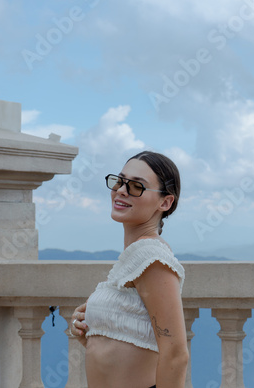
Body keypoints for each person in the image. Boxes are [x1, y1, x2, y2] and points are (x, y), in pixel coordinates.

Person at [70, 151, 189, 388]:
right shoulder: (135, 257)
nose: (121, 190)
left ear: (165, 202)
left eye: (137, 186)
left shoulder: (152, 258)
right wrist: (91, 329)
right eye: (120, 181)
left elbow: (176, 355)